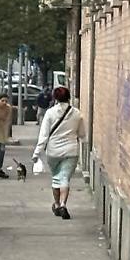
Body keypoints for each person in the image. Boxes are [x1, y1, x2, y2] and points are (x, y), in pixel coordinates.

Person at [33, 86, 86, 219]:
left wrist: (37, 152)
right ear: (69, 97)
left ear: (55, 98)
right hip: (71, 150)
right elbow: (82, 134)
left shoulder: (50, 113)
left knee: (56, 177)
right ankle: (63, 204)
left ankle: (56, 204)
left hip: (53, 151)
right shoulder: (77, 113)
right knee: (65, 178)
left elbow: (44, 135)